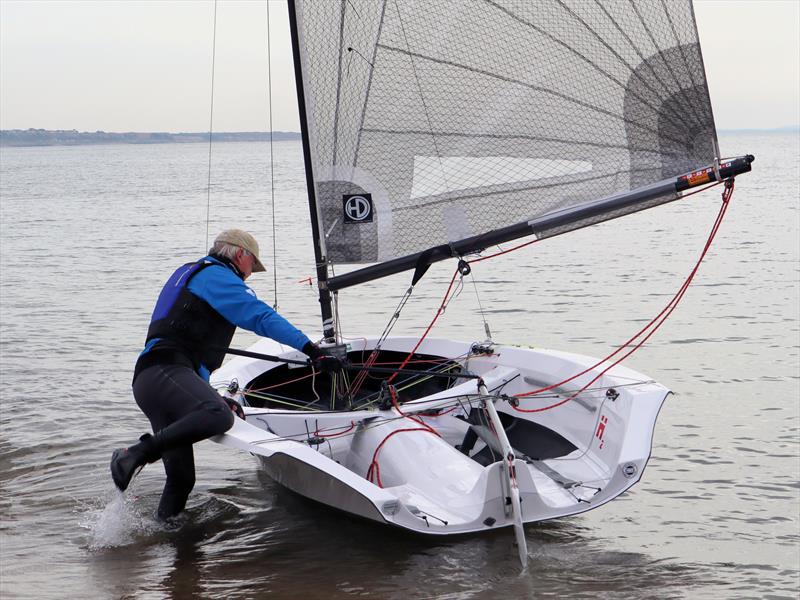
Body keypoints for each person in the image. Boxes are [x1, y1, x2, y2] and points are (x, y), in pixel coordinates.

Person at [110, 228, 339, 521]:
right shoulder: (215, 276)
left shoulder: (192, 273)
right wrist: (312, 350)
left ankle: (168, 543)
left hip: (157, 380)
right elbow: (259, 316)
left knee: (182, 480)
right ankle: (135, 453)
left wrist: (215, 395)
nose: (250, 274)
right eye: (251, 266)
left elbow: (188, 350)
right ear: (239, 254)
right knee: (218, 416)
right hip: (164, 370)